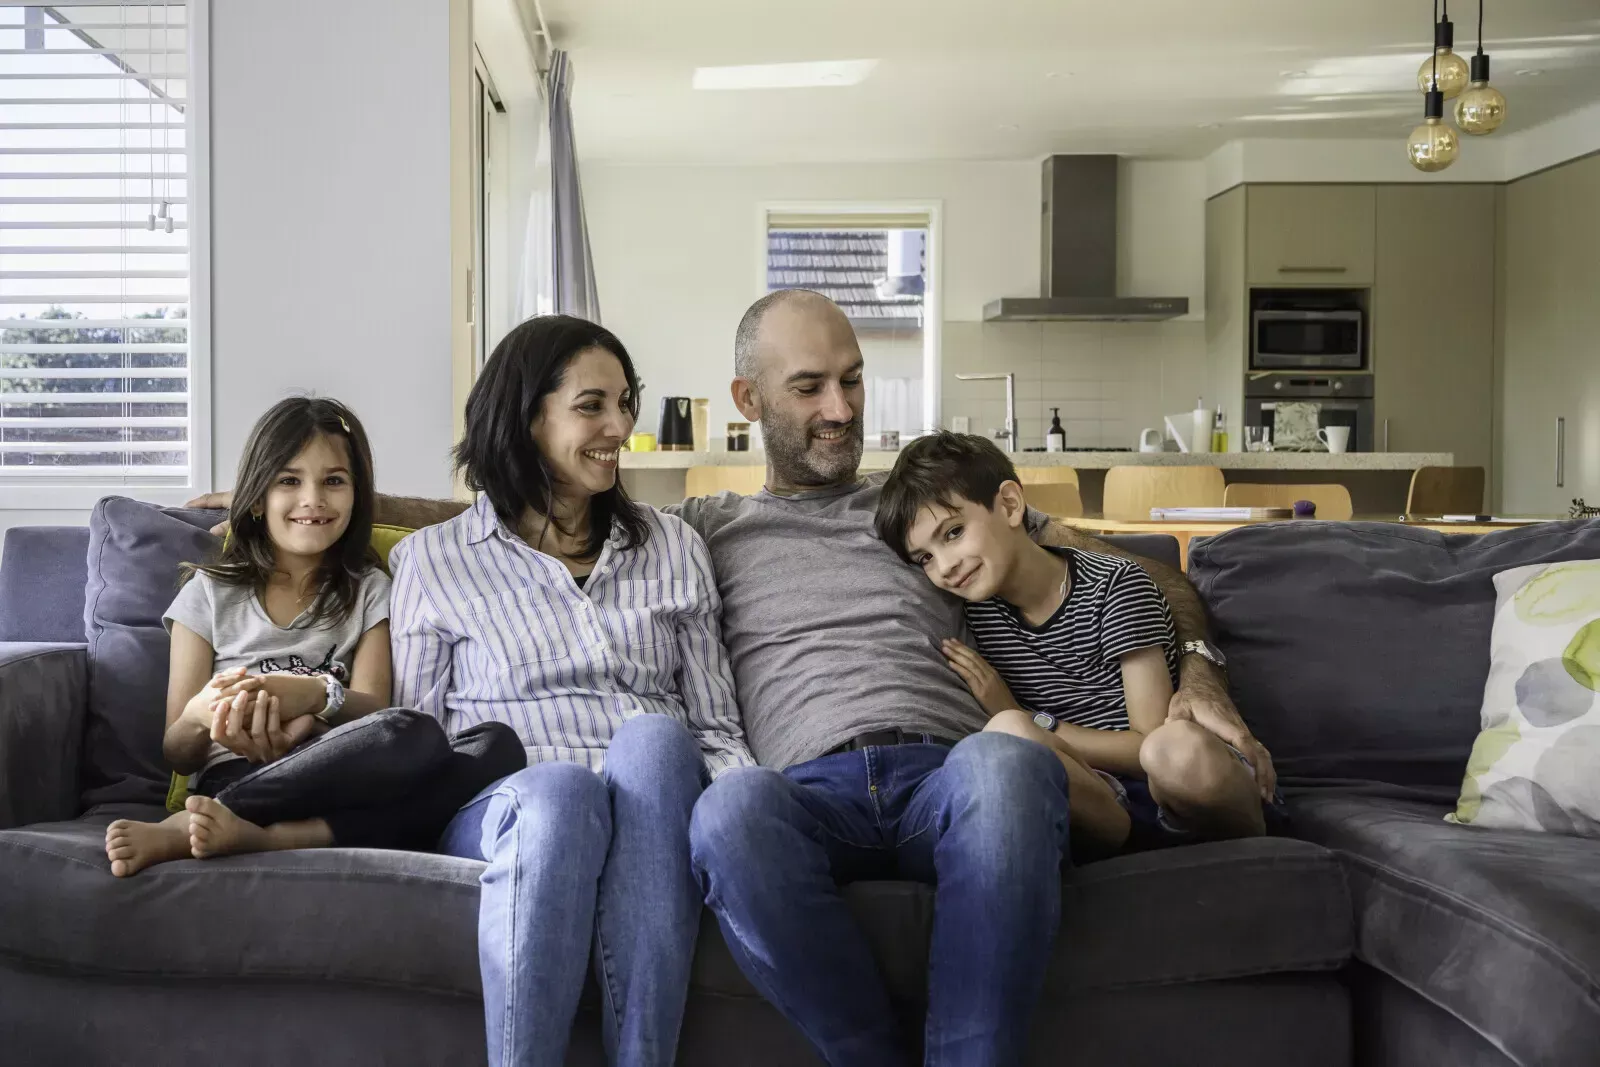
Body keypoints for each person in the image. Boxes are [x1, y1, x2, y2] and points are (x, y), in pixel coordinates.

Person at [188, 294, 1275, 1065]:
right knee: (720, 805)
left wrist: (1203, 669)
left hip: (948, 763)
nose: (842, 409)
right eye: (811, 387)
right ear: (748, 399)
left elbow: (1113, 561)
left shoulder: (916, 510)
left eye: (852, 381)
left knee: (997, 766)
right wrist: (294, 669)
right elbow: (435, 658)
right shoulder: (699, 526)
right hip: (774, 789)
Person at [385, 315, 754, 1067]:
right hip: (509, 809)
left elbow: (715, 727)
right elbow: (419, 740)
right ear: (528, 418)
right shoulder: (434, 560)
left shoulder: (673, 545)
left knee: (656, 738)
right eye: (593, 405)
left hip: (652, 804)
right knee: (559, 792)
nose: (620, 426)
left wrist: (747, 821)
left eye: (626, 402)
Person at [107, 397, 522, 877]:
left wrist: (311, 695)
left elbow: (378, 712)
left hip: (339, 774)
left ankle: (259, 836)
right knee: (411, 743)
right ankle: (223, 819)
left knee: (491, 744)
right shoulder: (210, 592)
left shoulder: (371, 590)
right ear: (257, 497)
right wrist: (202, 716)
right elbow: (176, 749)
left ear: (357, 494)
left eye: (333, 481)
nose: (313, 499)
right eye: (288, 480)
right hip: (239, 772)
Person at [875, 430, 1282, 856]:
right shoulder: (975, 610)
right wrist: (1016, 723)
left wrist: (1024, 715)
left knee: (1173, 749)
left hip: (1176, 780)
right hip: (1100, 797)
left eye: (954, 532)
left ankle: (1263, 851)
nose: (945, 567)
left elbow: (1147, 743)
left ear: (1011, 505)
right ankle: (1126, 841)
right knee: (1005, 733)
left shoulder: (1117, 587)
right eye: (924, 558)